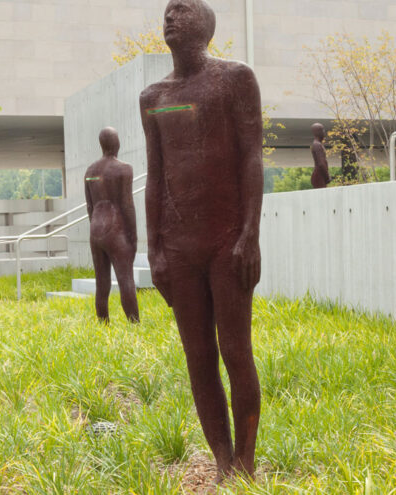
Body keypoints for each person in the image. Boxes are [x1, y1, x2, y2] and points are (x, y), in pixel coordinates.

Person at [140, 0, 263, 480]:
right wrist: (155, 249)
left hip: (226, 240)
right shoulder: (153, 95)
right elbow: (155, 176)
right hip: (179, 246)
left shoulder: (235, 79)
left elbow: (252, 157)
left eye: (182, 9)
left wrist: (250, 233)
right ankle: (221, 460)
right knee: (198, 356)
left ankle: (247, 461)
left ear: (206, 25)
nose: (170, 16)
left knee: (235, 350)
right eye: (168, 11)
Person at [85, 127, 140, 323]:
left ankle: (103, 323)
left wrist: (95, 228)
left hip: (96, 229)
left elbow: (90, 207)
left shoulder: (90, 171)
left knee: (102, 282)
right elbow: (127, 204)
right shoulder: (123, 169)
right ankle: (134, 326)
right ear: (116, 143)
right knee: (126, 280)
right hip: (115, 228)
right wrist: (133, 236)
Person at [310, 123, 331, 189]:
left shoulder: (317, 144)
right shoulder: (317, 145)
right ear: (318, 132)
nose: (324, 132)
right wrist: (327, 176)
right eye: (322, 130)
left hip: (320, 175)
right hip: (319, 176)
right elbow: (321, 163)